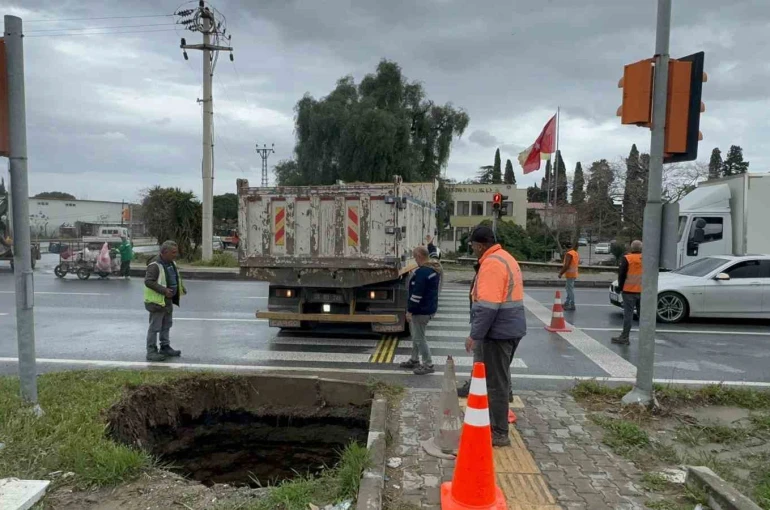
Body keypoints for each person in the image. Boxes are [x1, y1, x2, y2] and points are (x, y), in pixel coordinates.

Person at [465, 225, 526, 447]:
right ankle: (497, 420)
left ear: (480, 245)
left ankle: (499, 432)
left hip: (498, 332)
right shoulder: (505, 257)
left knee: (495, 382)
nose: (472, 249)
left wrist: (474, 335)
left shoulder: (491, 264)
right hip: (510, 328)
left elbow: (488, 307)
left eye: (472, 245)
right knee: (500, 377)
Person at [400, 246, 442, 375]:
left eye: (414, 256)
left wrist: (410, 311)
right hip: (428, 308)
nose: (414, 259)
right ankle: (414, 359)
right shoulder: (433, 269)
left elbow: (417, 294)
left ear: (419, 256)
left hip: (421, 310)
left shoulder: (422, 272)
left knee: (419, 338)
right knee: (416, 336)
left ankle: (428, 363)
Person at [144, 240, 186, 361]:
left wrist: (180, 288)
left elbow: (173, 277)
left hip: (167, 300)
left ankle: (165, 347)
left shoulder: (171, 263)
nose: (175, 254)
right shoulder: (154, 265)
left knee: (166, 325)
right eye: (173, 252)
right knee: (155, 327)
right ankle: (151, 351)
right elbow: (148, 281)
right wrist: (164, 290)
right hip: (156, 302)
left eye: (176, 252)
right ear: (164, 252)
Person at [612, 240, 643, 345]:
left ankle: (625, 337)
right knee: (643, 315)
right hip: (643, 291)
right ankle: (645, 337)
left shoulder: (627, 258)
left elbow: (621, 275)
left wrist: (620, 288)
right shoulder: (646, 259)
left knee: (628, 315)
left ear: (631, 248)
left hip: (629, 291)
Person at [558, 241, 580, 310]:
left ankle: (572, 304)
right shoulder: (575, 253)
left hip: (570, 274)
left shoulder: (569, 254)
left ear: (565, 247)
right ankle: (567, 303)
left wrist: (561, 273)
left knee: (570, 290)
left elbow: (566, 265)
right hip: (574, 273)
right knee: (569, 288)